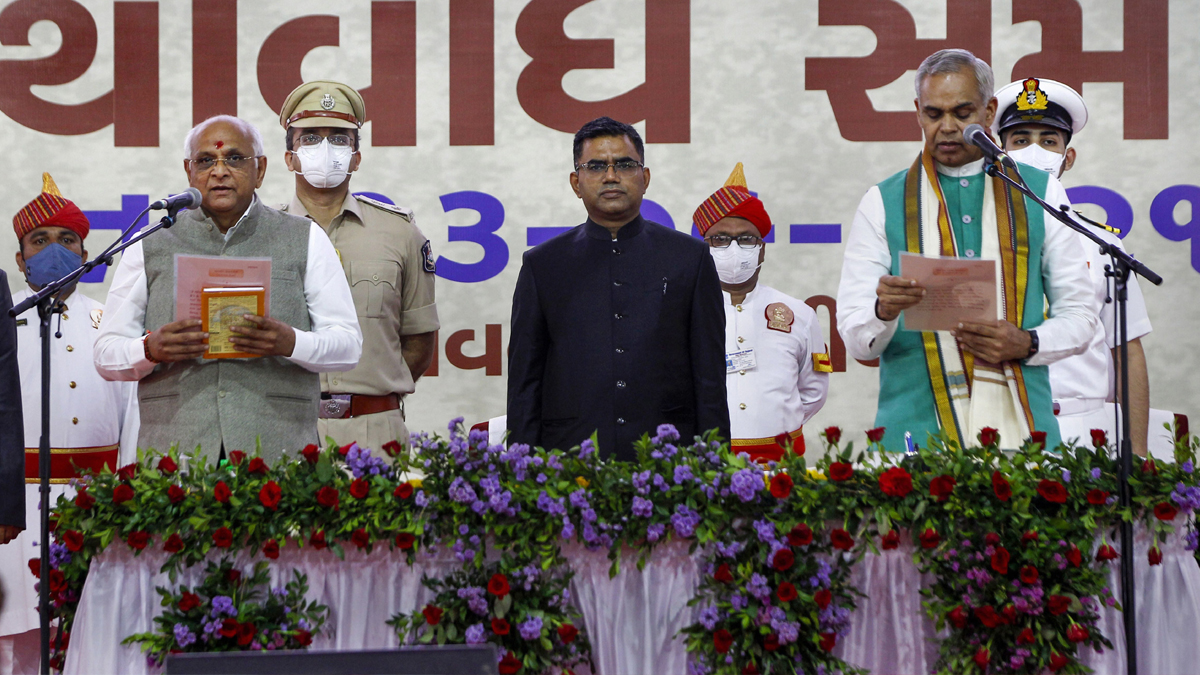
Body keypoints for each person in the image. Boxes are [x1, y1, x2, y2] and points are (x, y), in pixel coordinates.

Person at [836, 49, 1097, 450]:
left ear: (988, 112)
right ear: (918, 112)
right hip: (914, 436)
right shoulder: (883, 201)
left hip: (1023, 436)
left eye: (962, 113)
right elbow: (856, 339)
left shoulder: (1039, 192)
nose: (947, 128)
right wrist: (882, 310)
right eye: (933, 114)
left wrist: (1028, 342)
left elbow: (1080, 315)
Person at [94, 115, 362, 462]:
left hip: (276, 452)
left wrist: (291, 343)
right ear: (189, 171)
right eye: (206, 160)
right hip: (176, 455)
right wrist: (150, 349)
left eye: (234, 158)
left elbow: (348, 347)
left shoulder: (305, 238)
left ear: (260, 169)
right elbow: (105, 355)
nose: (219, 171)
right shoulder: (150, 243)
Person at [507, 116, 729, 461]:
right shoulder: (543, 265)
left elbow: (710, 378)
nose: (611, 176)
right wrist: (521, 471)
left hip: (669, 461)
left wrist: (716, 467)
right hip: (570, 461)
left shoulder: (689, 258)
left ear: (645, 177)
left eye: (624, 165)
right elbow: (525, 382)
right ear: (576, 182)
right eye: (596, 166)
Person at [0, 175, 140, 673]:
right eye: (39, 240)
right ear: (21, 259)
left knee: (92, 641)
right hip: (13, 511)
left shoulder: (113, 325)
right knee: (14, 648)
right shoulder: (2, 322)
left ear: (85, 254)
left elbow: (134, 420)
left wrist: (127, 501)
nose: (54, 250)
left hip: (93, 507)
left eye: (67, 240)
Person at [994, 77, 1154, 456]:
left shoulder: (1102, 245)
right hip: (1000, 422)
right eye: (1020, 140)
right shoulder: (971, 236)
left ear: (1067, 158)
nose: (1034, 151)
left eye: (1048, 141)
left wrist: (1138, 455)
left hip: (1085, 427)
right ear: (999, 153)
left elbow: (1127, 352)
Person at [277, 81, 439, 454]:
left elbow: (418, 341)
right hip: (284, 427)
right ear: (290, 158)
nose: (325, 149)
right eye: (310, 139)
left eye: (339, 139)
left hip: (375, 430)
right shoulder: (265, 234)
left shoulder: (400, 232)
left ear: (356, 157)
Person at [693, 163, 830, 462]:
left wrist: (776, 423)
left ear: (762, 250)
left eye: (746, 239)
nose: (733, 248)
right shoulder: (683, 312)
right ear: (704, 248)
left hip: (782, 463)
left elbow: (814, 392)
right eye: (720, 239)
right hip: (707, 464)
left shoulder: (799, 314)